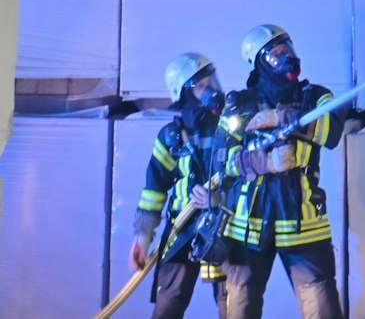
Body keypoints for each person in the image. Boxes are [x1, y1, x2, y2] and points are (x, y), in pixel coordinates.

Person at [218, 24, 344, 319]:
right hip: (248, 228)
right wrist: (258, 163)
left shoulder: (315, 98)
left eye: (288, 49)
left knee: (322, 309)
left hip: (303, 223)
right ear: (260, 61)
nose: (287, 56)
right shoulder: (239, 104)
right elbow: (221, 161)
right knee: (240, 308)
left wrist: (288, 118)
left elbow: (333, 132)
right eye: (277, 53)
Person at [131, 52, 233, 319]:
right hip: (182, 228)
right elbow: (154, 190)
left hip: (226, 226)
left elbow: (245, 177)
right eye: (202, 85)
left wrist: (219, 199)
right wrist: (143, 237)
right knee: (169, 303)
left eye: (213, 81)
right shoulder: (170, 137)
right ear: (184, 93)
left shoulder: (231, 129)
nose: (211, 89)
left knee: (233, 305)